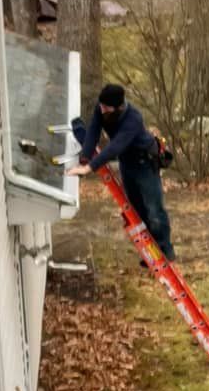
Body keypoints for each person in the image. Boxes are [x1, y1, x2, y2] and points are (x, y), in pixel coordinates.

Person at [69, 83, 176, 260]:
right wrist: (85, 157)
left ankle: (165, 251)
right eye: (101, 106)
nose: (102, 110)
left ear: (118, 107)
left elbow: (115, 147)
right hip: (127, 162)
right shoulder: (101, 109)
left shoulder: (133, 119)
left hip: (145, 163)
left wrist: (90, 167)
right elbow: (94, 131)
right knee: (137, 210)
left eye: (106, 108)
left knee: (154, 210)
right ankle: (150, 252)